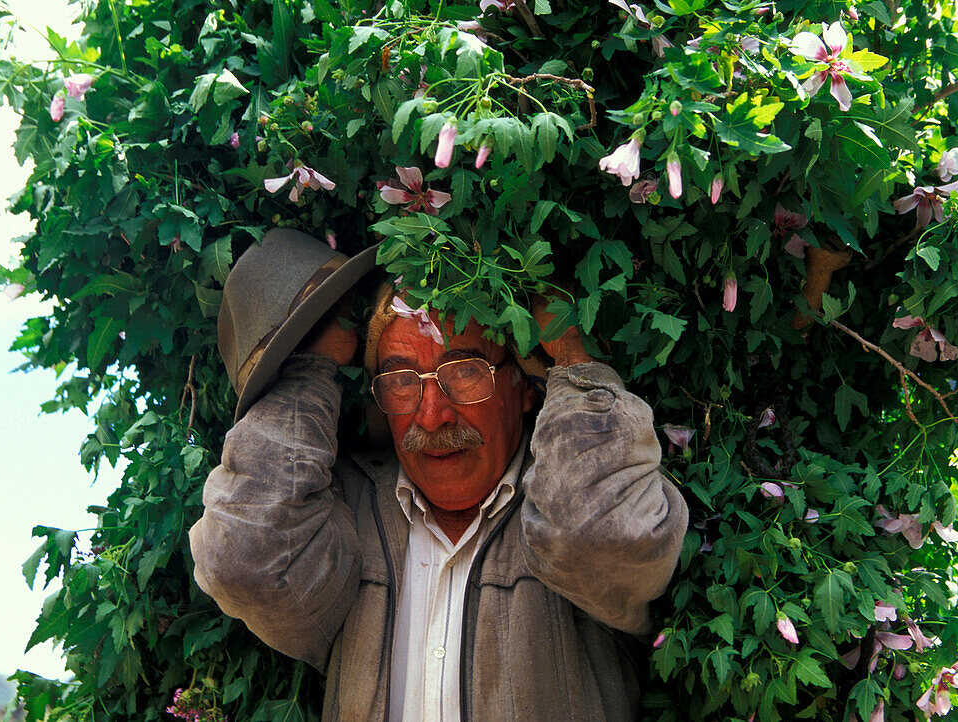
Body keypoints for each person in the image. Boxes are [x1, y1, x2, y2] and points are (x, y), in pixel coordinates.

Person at [190, 230, 688, 721]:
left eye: (465, 371)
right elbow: (244, 557)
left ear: (527, 385)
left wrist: (573, 362)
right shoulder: (345, 517)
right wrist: (311, 369)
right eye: (402, 382)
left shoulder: (574, 497)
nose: (432, 417)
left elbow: (599, 530)